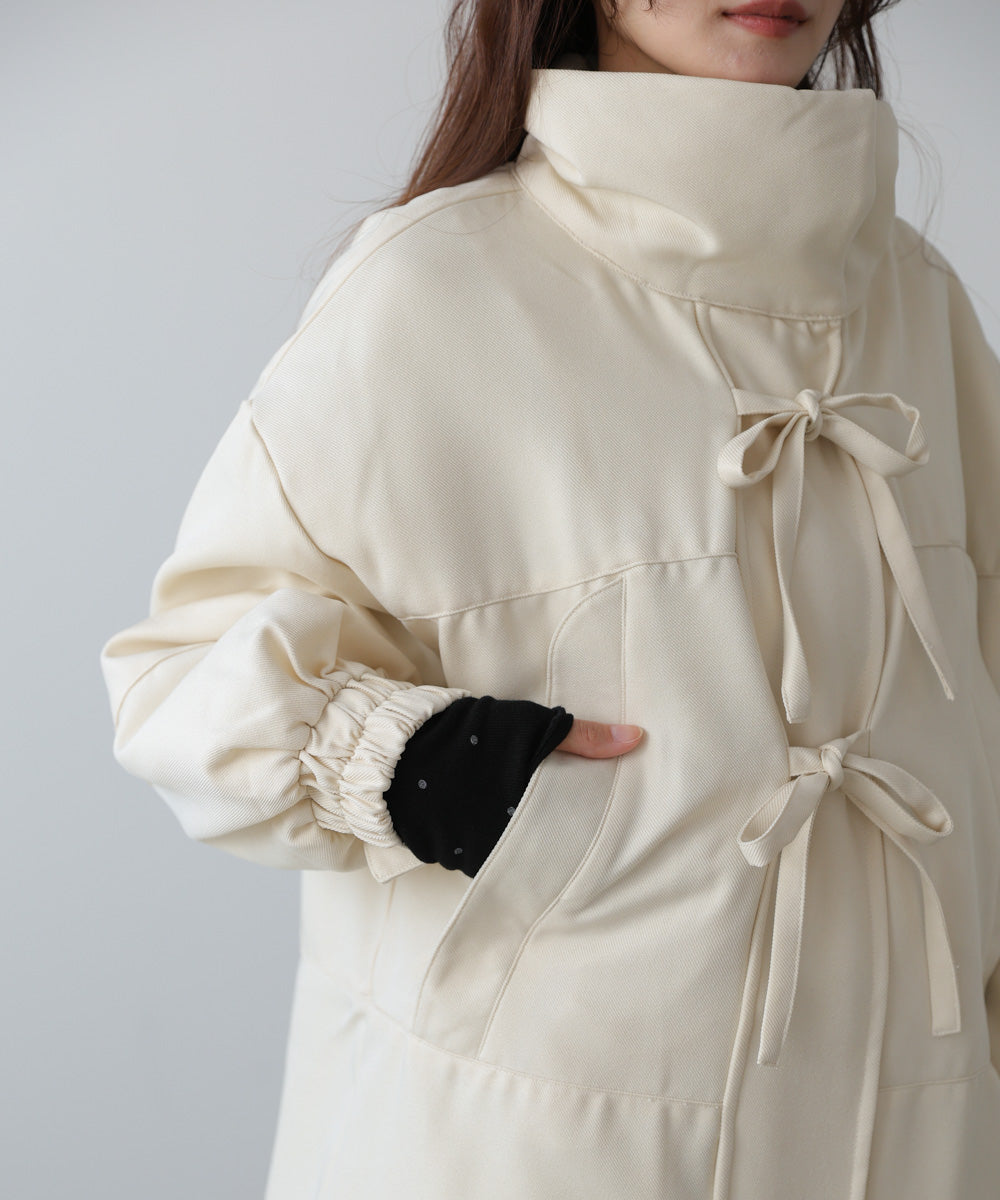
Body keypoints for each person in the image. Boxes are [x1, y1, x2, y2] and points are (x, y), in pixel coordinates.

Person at [99, 1, 1000, 1196]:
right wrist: (431, 768)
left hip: (914, 1135)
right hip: (534, 1141)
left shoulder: (916, 298)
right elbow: (177, 679)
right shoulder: (434, 285)